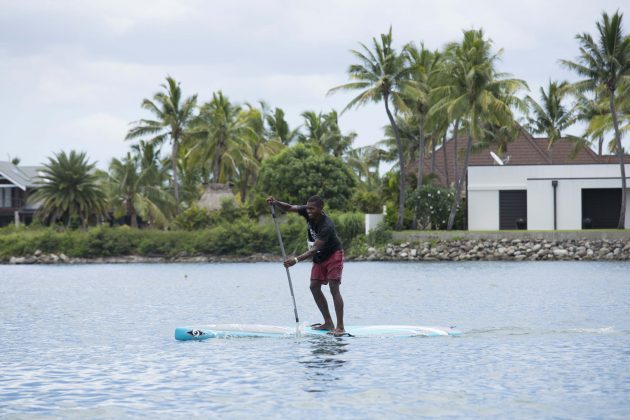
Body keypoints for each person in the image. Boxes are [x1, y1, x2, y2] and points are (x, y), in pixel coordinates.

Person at [267, 195, 346, 336]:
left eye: (312, 208)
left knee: (334, 288)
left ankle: (340, 327)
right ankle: (328, 323)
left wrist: (296, 260)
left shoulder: (327, 225)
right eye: (307, 207)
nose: (308, 210)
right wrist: (276, 202)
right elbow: (289, 207)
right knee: (314, 286)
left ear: (321, 209)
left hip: (334, 255)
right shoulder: (306, 211)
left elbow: (315, 248)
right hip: (319, 256)